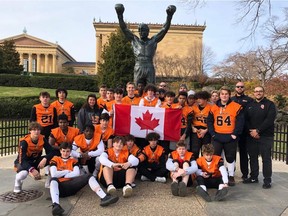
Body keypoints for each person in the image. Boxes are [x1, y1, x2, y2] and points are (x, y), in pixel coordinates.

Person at [49, 142, 118, 215]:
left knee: (88, 176)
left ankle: (104, 197)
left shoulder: (73, 161)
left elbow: (76, 173)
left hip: (71, 186)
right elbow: (54, 174)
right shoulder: (55, 159)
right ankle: (56, 205)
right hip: (59, 188)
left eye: (68, 151)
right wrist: (67, 171)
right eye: (63, 151)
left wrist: (60, 174)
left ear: (71, 152)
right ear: (60, 151)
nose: (65, 153)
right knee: (53, 180)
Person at [115, 3, 176, 84]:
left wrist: (169, 16)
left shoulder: (153, 40)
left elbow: (164, 29)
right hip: (138, 66)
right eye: (139, 30)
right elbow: (124, 28)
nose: (140, 32)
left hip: (149, 67)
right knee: (137, 90)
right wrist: (120, 15)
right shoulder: (134, 40)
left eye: (143, 30)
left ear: (147, 31)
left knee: (151, 89)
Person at [207, 86, 244, 186]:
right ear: (220, 95)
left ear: (229, 95)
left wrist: (235, 134)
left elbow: (240, 122)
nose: (224, 96)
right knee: (216, 156)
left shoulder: (236, 106)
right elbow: (209, 121)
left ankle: (231, 175)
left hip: (230, 135)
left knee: (230, 157)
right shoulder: (214, 107)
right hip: (217, 135)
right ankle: (218, 174)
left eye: (226, 94)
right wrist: (213, 133)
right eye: (222, 94)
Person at [243, 86, 276, 189]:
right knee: (252, 158)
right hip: (251, 136)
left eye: (260, 91)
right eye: (256, 91)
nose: (258, 93)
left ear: (263, 92)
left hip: (265, 136)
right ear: (254, 93)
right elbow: (246, 120)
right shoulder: (249, 105)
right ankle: (253, 177)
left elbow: (269, 120)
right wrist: (252, 131)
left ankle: (267, 180)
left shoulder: (270, 105)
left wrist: (258, 131)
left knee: (266, 159)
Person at [13, 122, 54, 193]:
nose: (36, 132)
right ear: (30, 131)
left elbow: (51, 152)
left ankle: (49, 182)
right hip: (23, 162)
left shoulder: (42, 139)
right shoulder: (24, 142)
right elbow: (22, 160)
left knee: (54, 160)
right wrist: (31, 170)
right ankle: (18, 182)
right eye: (34, 130)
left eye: (38, 130)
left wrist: (45, 159)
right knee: (23, 174)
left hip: (35, 160)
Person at [231, 81, 253, 180]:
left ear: (244, 88)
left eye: (241, 87)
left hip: (244, 130)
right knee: (232, 152)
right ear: (235, 88)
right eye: (238, 86)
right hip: (233, 129)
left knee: (244, 152)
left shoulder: (249, 100)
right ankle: (231, 172)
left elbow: (251, 115)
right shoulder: (231, 100)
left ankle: (245, 173)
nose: (239, 88)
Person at [185, 91, 212, 158]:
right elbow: (189, 120)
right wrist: (193, 128)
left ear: (205, 99)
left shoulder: (211, 108)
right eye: (197, 98)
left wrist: (206, 130)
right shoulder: (193, 107)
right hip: (195, 130)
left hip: (207, 131)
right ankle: (195, 167)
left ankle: (204, 167)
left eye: (200, 98)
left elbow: (214, 122)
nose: (198, 100)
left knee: (206, 151)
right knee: (194, 151)